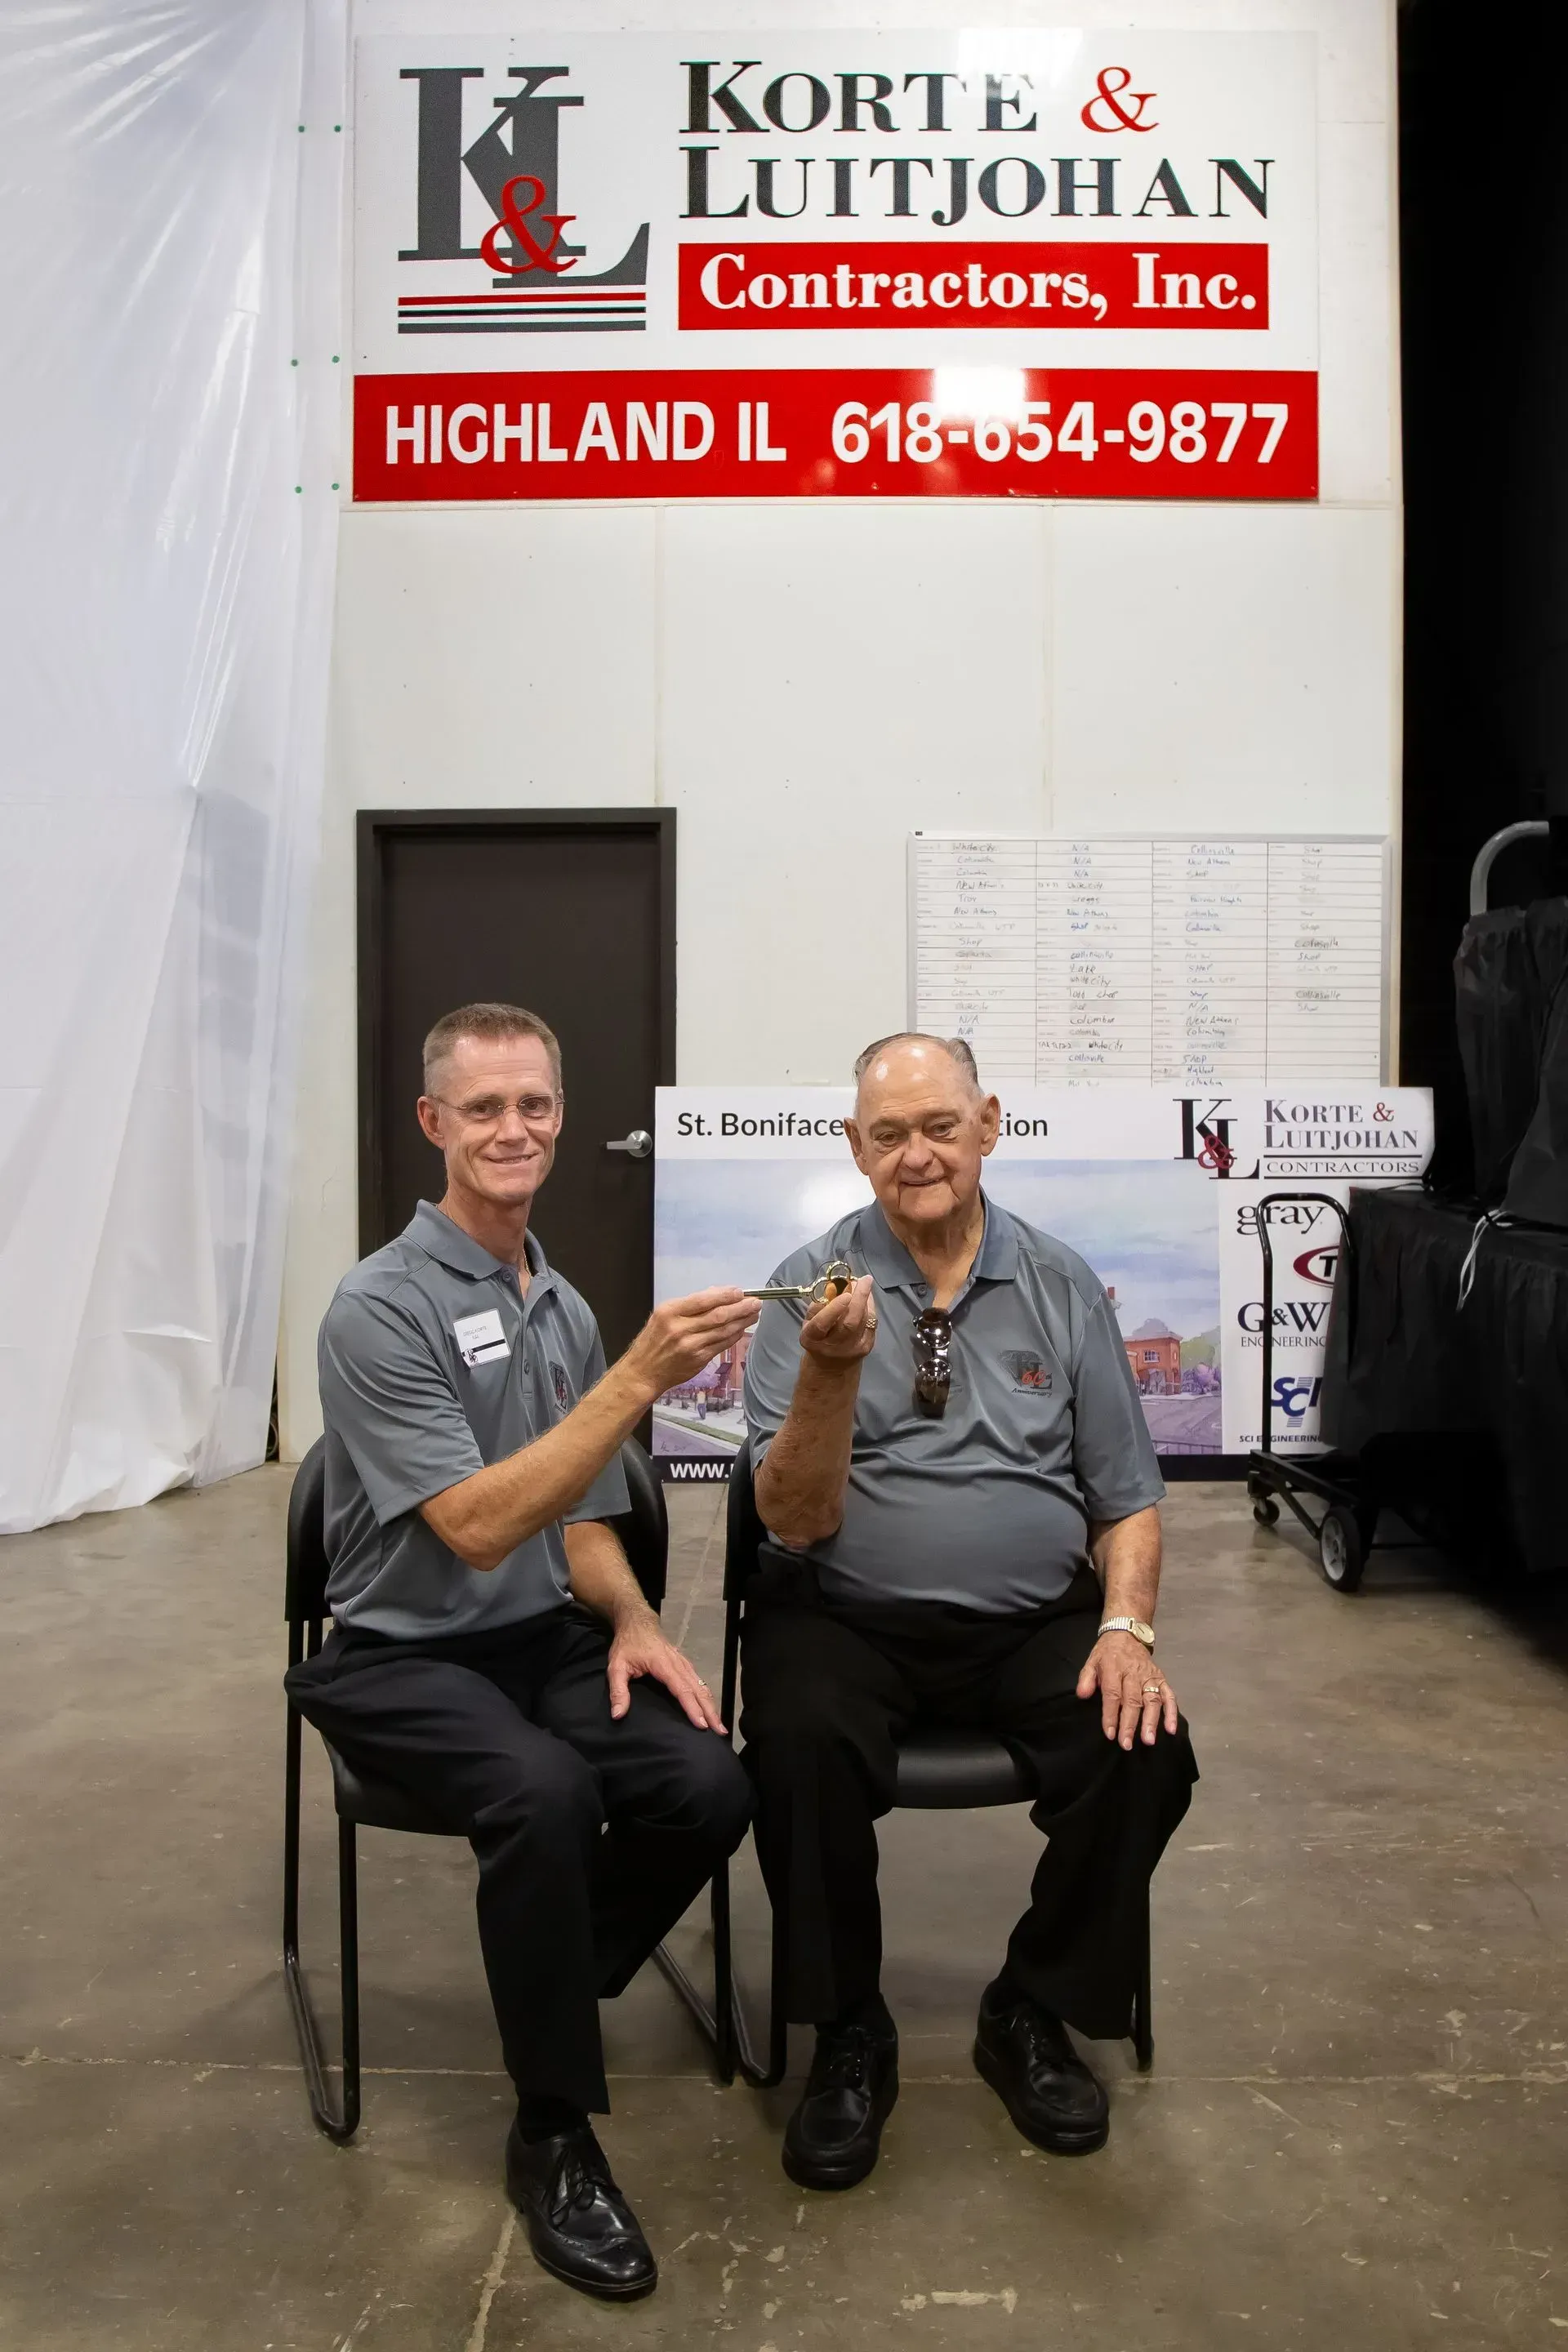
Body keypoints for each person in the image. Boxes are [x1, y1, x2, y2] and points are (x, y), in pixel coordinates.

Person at [286, 1001, 756, 2301]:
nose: (514, 1128)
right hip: (398, 1652)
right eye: (484, 1106)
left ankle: (556, 1965)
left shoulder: (560, 1300)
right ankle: (552, 2132)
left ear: (560, 1113)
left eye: (535, 1103)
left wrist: (637, 1620)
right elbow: (481, 1526)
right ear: (433, 1122)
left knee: (712, 1780)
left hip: (539, 1636)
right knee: (543, 1796)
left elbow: (583, 1514)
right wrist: (638, 1380)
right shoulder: (377, 1307)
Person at [741, 1032, 1198, 2191]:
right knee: (794, 1740)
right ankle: (848, 2030)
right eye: (889, 1134)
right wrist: (829, 1373)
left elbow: (1127, 1498)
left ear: (988, 1125)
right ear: (855, 1148)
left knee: (1143, 1749)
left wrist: (1126, 1629)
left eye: (941, 1126)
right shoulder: (808, 1288)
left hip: (1034, 1620)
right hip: (845, 1612)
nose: (918, 1154)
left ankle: (1032, 2007)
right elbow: (790, 1519)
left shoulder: (1060, 1284)